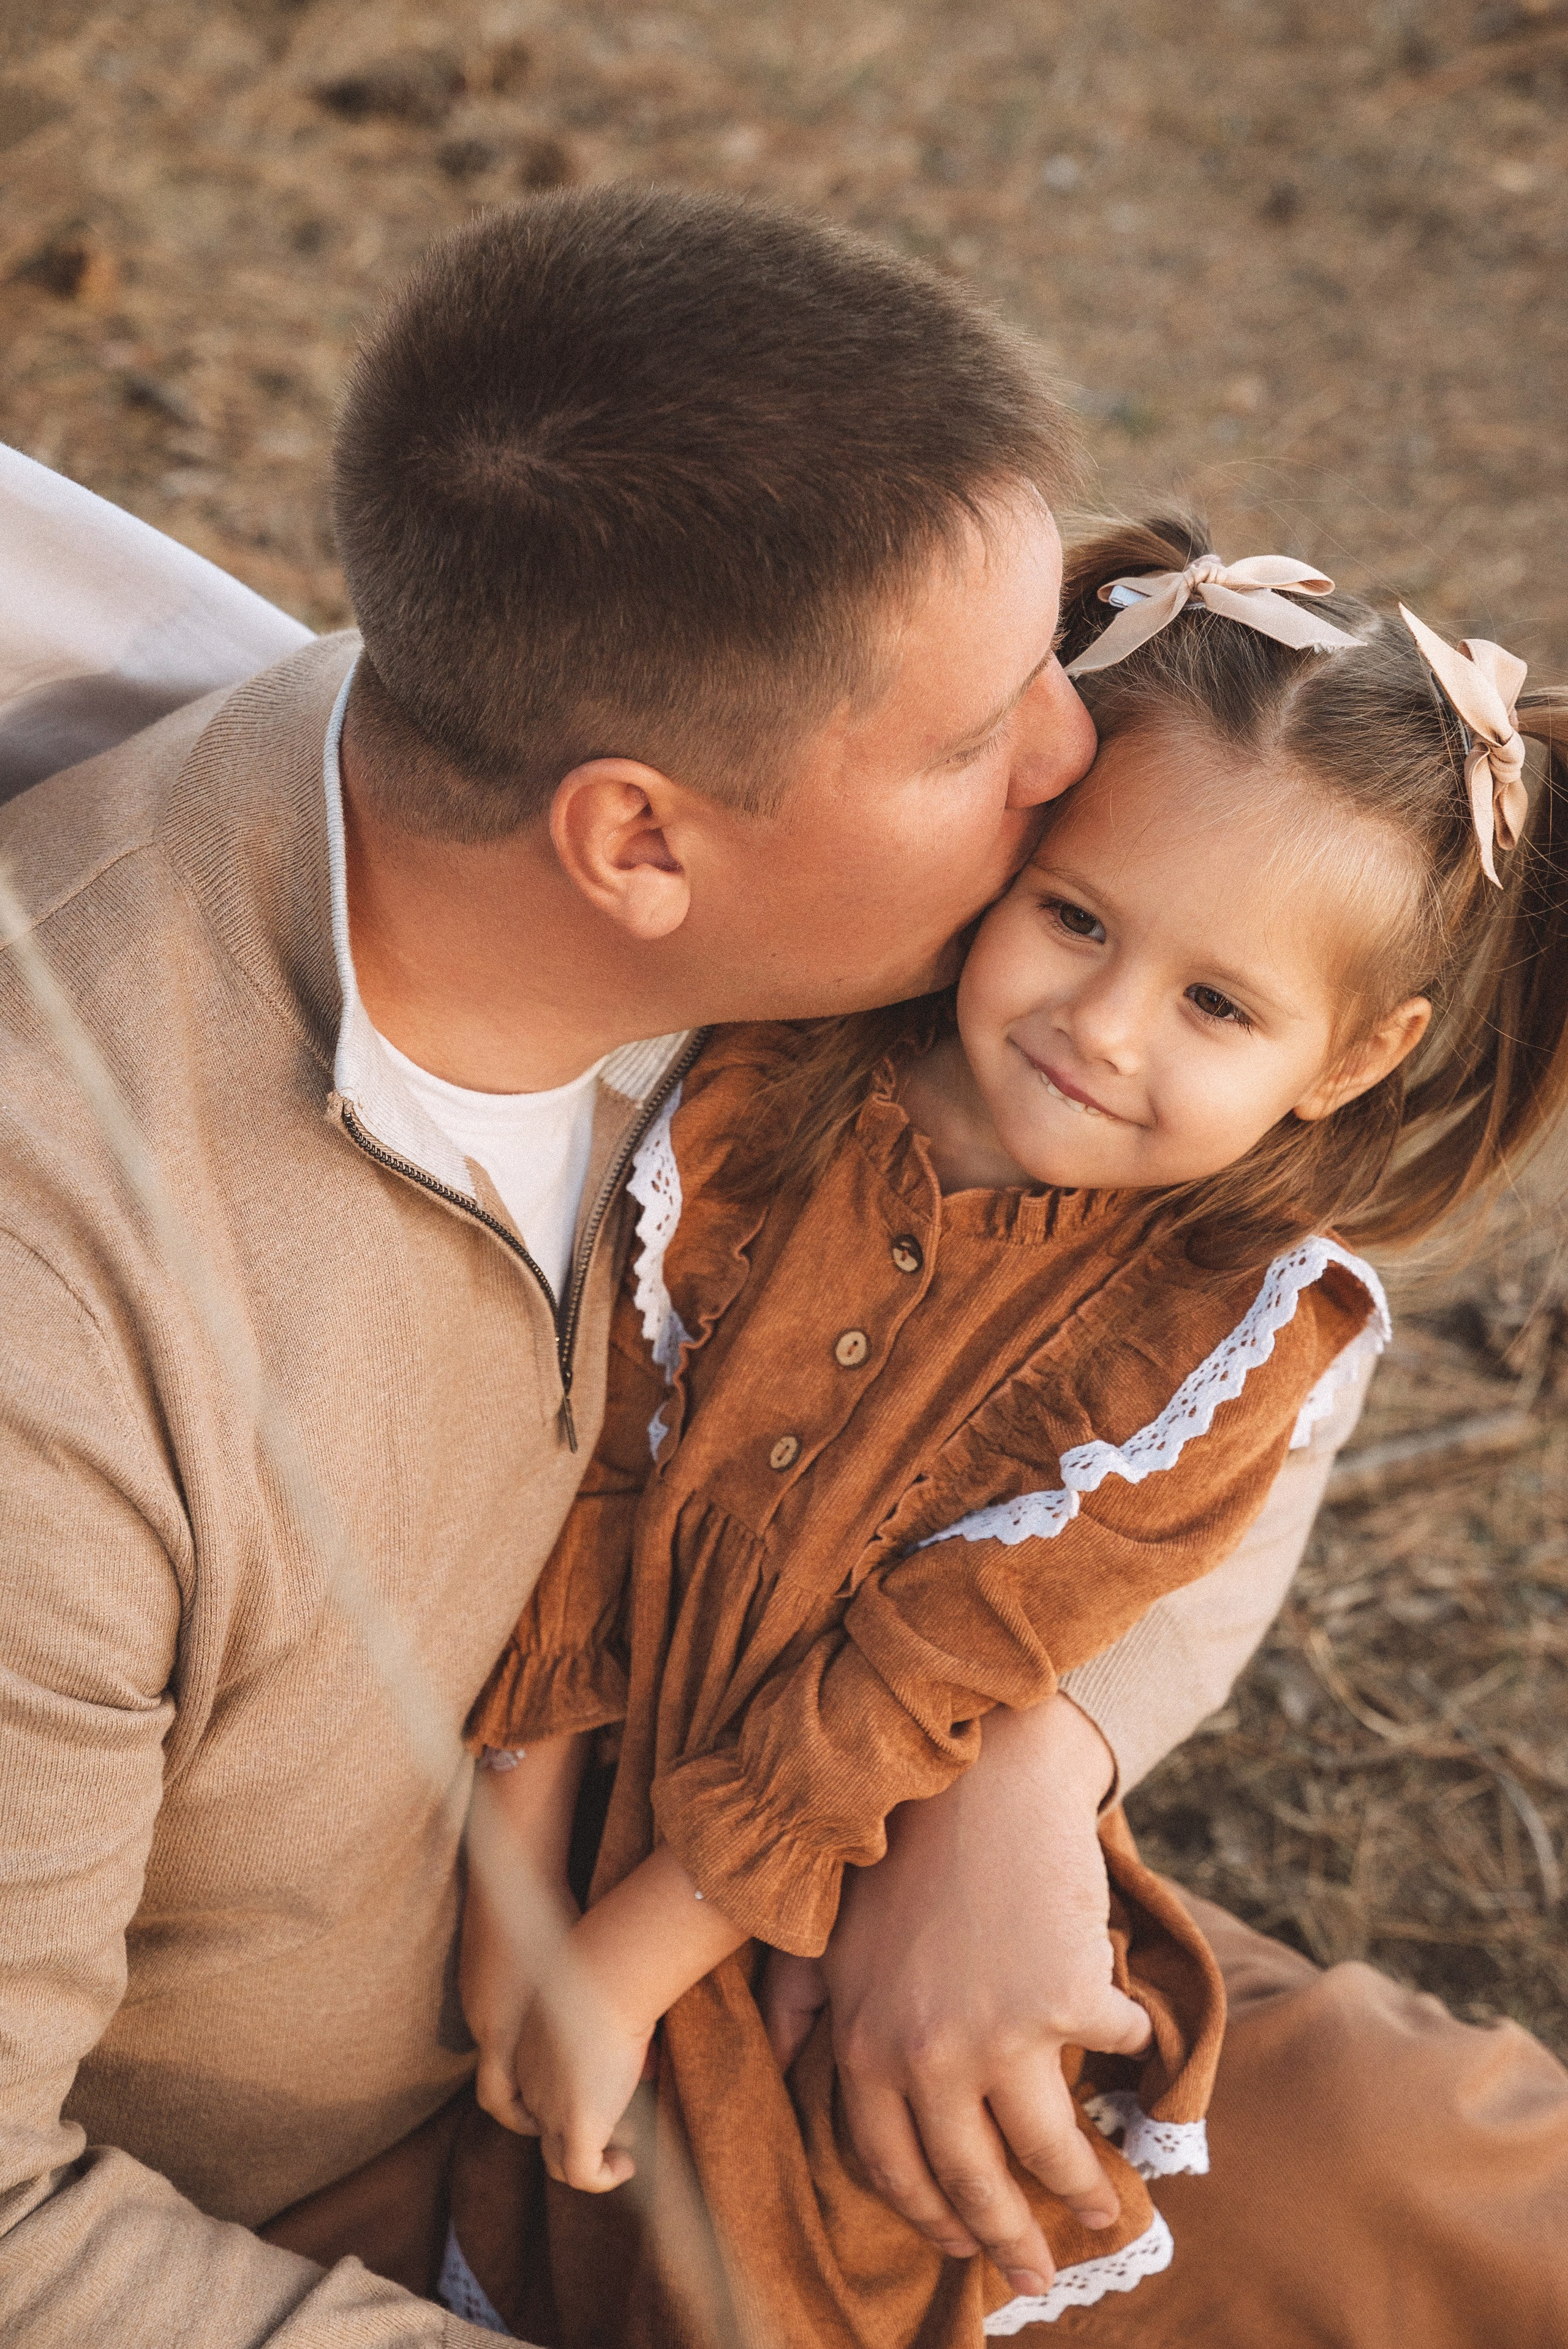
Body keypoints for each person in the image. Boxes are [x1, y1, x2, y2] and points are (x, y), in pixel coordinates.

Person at [0, 191, 1562, 2349]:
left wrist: (1027, 1760)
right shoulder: (60, 1337)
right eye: (979, 729)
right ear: (636, 842)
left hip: (840, 1977)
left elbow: (1229, 1336)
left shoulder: (779, 928)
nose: (1069, 759)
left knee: (1459, 2196)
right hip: (348, 2209)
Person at [447, 521, 1568, 2344]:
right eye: (1075, 918)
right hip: (568, 1848)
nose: (1101, 1027)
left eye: (1217, 1003)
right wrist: (523, 1882)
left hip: (800, 1908)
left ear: (1353, 1058)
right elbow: (601, 1469)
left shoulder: (1234, 1326)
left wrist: (634, 1955)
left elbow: (930, 1663)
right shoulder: (757, 1085)